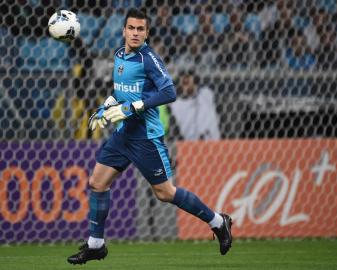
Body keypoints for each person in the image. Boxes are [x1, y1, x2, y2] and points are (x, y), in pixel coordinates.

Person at [67, 8, 233, 265]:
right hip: (123, 134)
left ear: (147, 33)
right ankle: (96, 245)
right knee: (97, 183)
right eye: (131, 28)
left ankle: (218, 222)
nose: (135, 33)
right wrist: (105, 106)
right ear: (123, 30)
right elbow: (120, 91)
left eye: (140, 29)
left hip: (146, 137)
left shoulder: (149, 59)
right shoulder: (119, 55)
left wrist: (134, 107)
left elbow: (169, 92)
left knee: (165, 193)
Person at [170, 71, 221, 140]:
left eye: (189, 75)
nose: (185, 78)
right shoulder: (175, 105)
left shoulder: (206, 93)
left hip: (214, 142)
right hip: (191, 145)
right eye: (182, 76)